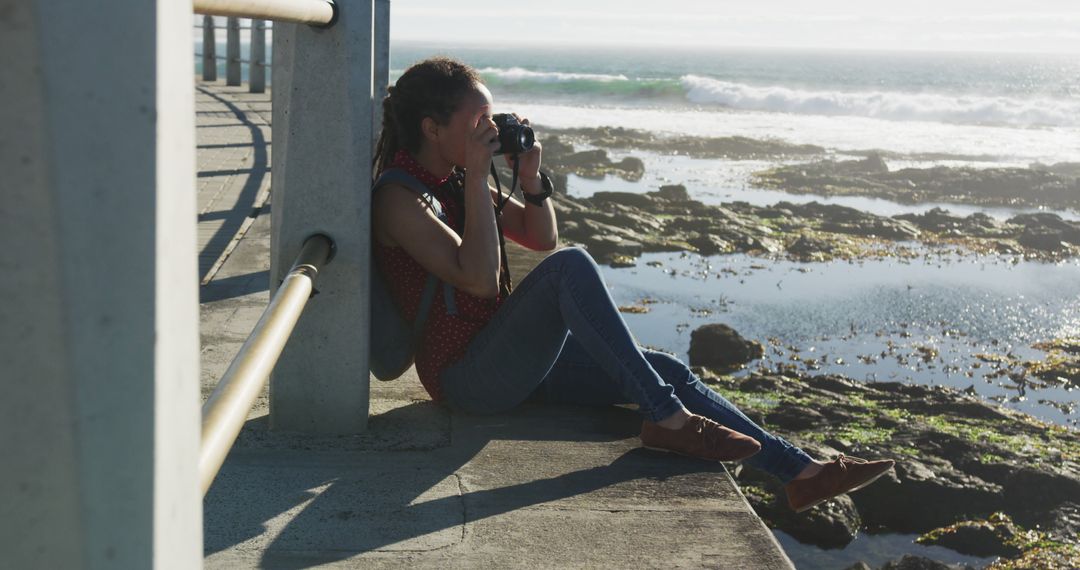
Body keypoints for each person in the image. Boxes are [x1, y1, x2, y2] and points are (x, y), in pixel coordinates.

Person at [371, 56, 893, 513]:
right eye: (479, 121)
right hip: (467, 379)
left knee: (664, 369)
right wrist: (483, 176)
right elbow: (482, 281)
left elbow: (539, 237)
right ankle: (667, 419)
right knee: (573, 268)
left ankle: (801, 474)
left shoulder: (456, 178)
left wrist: (530, 180)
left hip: (505, 354)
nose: (491, 129)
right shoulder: (401, 197)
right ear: (433, 128)